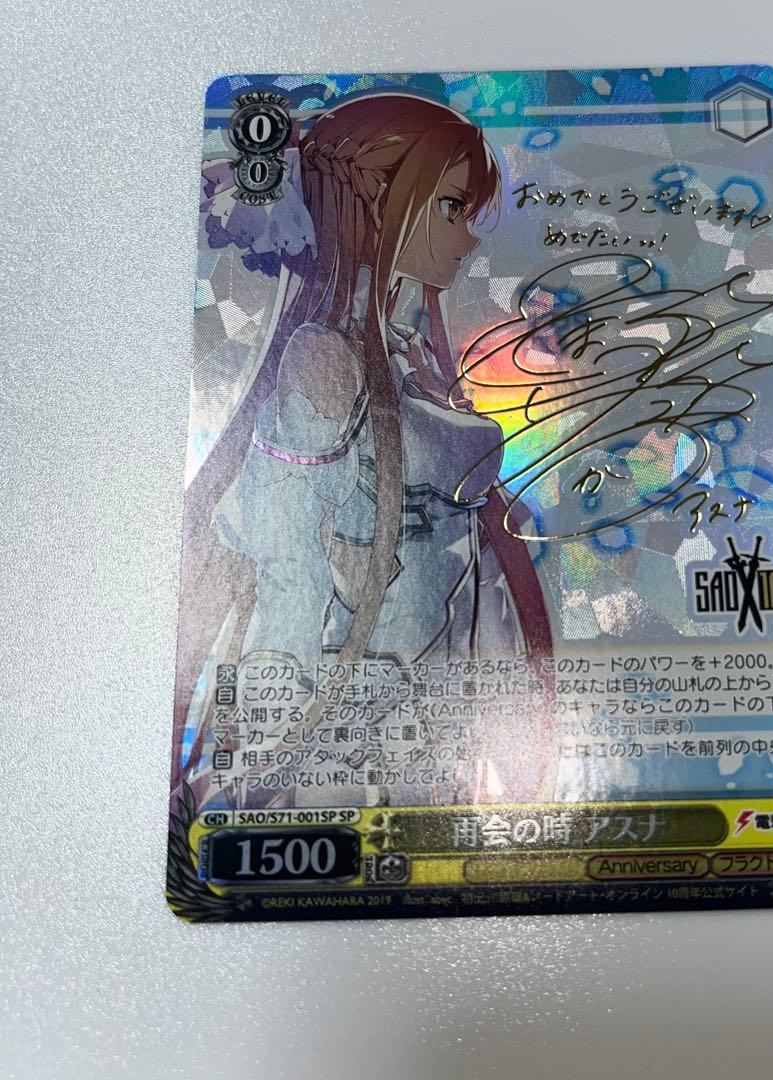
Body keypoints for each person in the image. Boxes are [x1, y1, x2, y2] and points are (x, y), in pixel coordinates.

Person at [173, 94, 552, 807]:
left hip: (427, 693)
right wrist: (269, 751)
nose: (468, 236)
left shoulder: (404, 353)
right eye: (450, 206)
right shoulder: (324, 358)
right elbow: (288, 572)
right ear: (380, 203)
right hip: (355, 715)